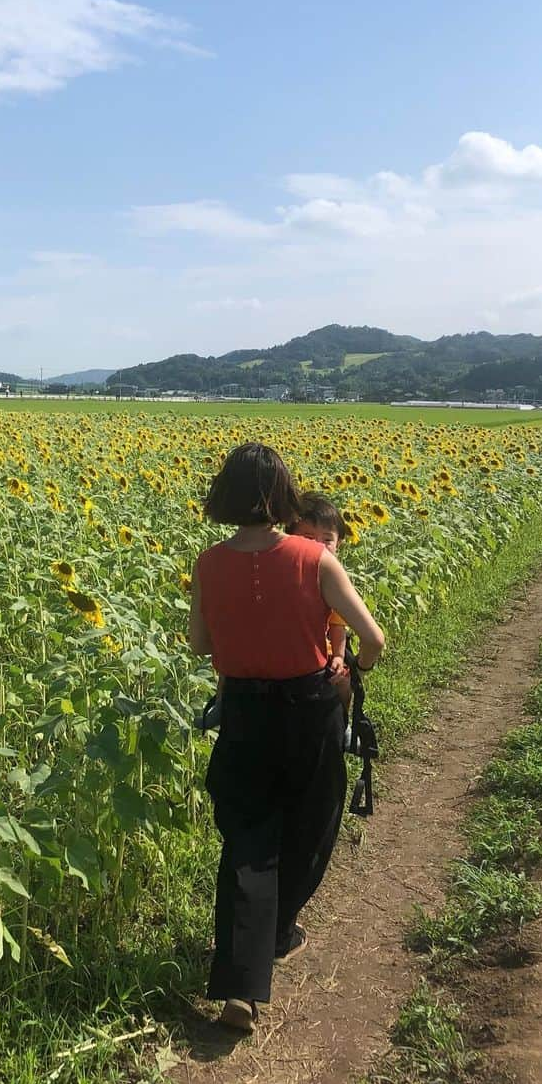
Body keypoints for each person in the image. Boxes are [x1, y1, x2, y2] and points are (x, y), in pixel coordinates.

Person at [189, 443, 385, 1033]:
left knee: (248, 841)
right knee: (312, 825)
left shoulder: (208, 562)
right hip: (310, 709)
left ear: (225, 494)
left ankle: (241, 988)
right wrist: (348, 669)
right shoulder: (315, 559)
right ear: (284, 497)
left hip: (244, 711)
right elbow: (371, 640)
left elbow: (199, 645)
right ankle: (276, 931)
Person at [288, 491, 352, 714]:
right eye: (308, 538)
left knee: (343, 681)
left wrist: (338, 656)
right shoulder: (283, 571)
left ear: (339, 544)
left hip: (322, 656)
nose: (317, 546)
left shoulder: (333, 579)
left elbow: (337, 625)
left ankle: (343, 721)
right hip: (287, 655)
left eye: (327, 540)